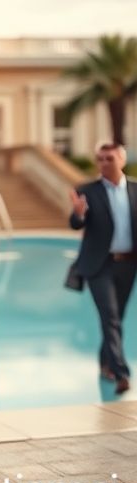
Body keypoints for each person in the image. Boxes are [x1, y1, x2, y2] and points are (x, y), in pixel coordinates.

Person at [69, 142, 137, 395]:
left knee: (116, 317)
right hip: (100, 265)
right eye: (100, 159)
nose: (104, 163)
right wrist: (78, 214)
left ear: (122, 159)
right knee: (109, 317)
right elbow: (75, 224)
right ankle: (121, 373)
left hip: (128, 263)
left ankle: (105, 363)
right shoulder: (86, 191)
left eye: (109, 158)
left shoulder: (135, 189)